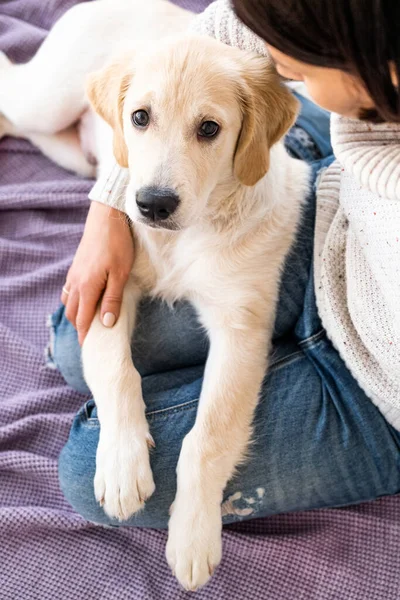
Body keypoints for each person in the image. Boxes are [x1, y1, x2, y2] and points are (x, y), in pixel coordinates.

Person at [51, 0, 400, 528]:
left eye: (297, 63)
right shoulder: (342, 39)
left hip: (376, 391)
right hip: (336, 231)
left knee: (88, 468)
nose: (268, 56)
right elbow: (211, 43)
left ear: (364, 53)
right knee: (74, 342)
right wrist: (109, 204)